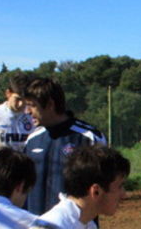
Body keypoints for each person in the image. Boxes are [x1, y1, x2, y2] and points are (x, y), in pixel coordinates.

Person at [23, 77, 106, 215]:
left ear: (50, 104)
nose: (27, 111)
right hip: (35, 227)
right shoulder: (32, 140)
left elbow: (103, 187)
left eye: (32, 105)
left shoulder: (88, 137)